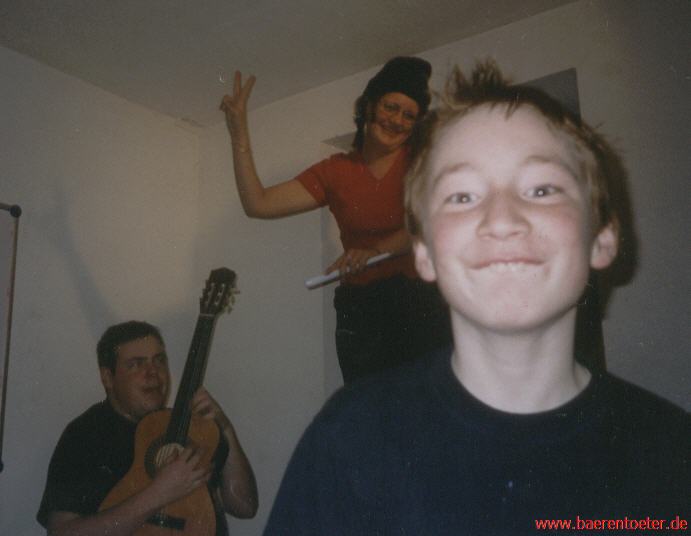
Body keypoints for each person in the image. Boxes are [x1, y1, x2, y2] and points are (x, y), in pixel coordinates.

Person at [262, 61, 689, 534]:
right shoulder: (345, 441)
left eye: (541, 189)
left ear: (602, 238)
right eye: (463, 196)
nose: (501, 220)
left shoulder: (672, 454)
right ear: (424, 252)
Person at [221, 57, 451, 384]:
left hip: (420, 299)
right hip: (361, 310)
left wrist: (375, 250)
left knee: (432, 400)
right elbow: (257, 203)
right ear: (369, 106)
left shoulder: (423, 163)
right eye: (391, 107)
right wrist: (238, 132)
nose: (397, 120)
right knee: (368, 407)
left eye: (408, 115)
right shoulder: (335, 170)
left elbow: (431, 224)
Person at [37, 320, 257, 536]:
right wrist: (160, 493)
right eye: (136, 364)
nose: (153, 373)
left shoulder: (190, 428)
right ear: (108, 378)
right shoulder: (85, 435)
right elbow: (61, 533)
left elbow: (244, 507)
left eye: (159, 361)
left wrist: (225, 428)